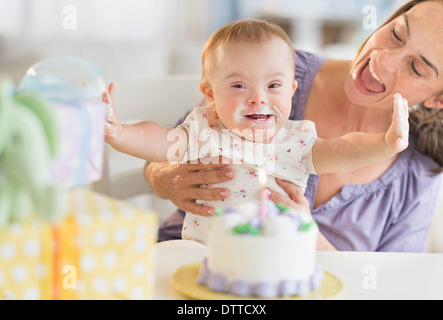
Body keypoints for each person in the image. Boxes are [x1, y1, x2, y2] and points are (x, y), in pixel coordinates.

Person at [145, 0, 443, 251]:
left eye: (416, 67)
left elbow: (389, 288)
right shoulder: (272, 71)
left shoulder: (418, 173)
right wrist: (163, 178)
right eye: (396, 34)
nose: (383, 59)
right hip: (186, 269)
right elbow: (166, 152)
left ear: (438, 100)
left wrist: (309, 239)